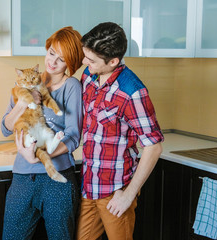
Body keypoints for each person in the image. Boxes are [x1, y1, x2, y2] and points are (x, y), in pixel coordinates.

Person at [76, 22, 164, 240]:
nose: (84, 62)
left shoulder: (132, 92)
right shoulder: (89, 76)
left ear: (113, 61)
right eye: (86, 56)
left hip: (116, 190)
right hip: (89, 186)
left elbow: (154, 147)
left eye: (91, 59)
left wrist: (127, 195)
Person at [0, 26, 84, 240]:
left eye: (61, 59)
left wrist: (38, 155)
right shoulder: (25, 82)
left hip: (57, 181)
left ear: (70, 64)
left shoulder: (71, 86)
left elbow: (74, 136)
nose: (53, 62)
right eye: (51, 53)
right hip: (22, 178)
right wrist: (23, 103)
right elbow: (5, 127)